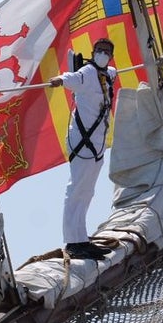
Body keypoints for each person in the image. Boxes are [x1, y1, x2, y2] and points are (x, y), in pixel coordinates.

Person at [50, 37, 118, 260]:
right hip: (82, 141)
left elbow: (114, 72)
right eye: (99, 50)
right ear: (93, 51)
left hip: (97, 144)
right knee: (77, 190)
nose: (102, 54)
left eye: (106, 51)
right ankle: (72, 241)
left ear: (111, 56)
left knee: (87, 191)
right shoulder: (87, 73)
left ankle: (81, 238)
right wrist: (59, 80)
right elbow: (72, 78)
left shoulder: (108, 74)